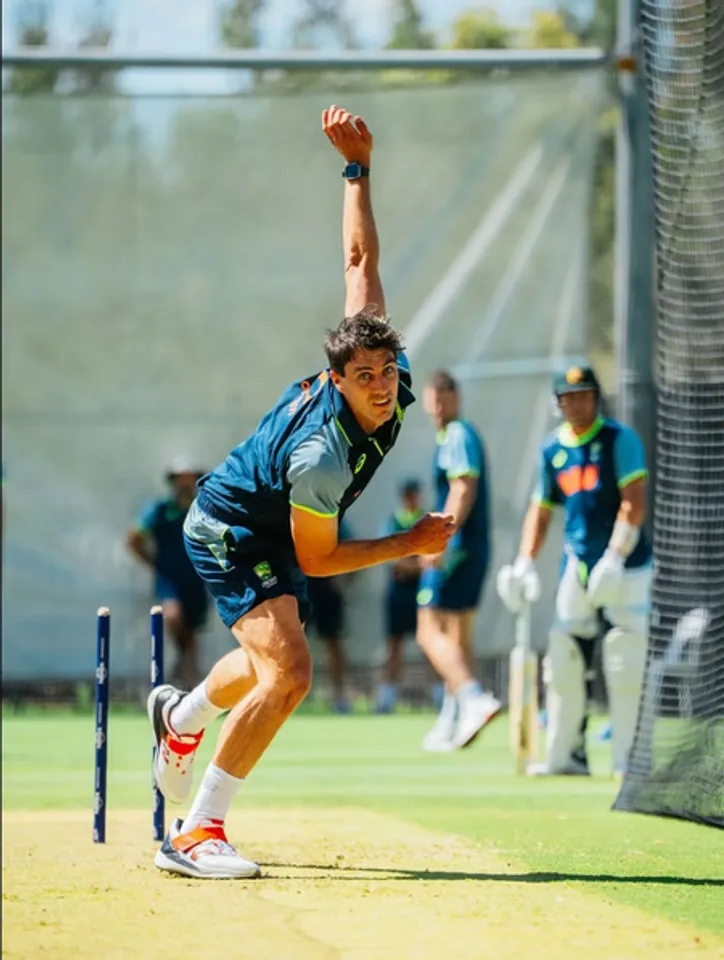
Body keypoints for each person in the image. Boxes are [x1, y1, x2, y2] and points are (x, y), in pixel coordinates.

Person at [146, 105, 454, 879]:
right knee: (290, 671)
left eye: (389, 371)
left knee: (262, 663)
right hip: (226, 527)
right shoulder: (323, 457)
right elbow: (317, 562)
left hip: (266, 521)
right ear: (337, 379)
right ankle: (195, 833)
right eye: (366, 378)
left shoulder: (372, 351)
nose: (383, 388)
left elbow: (358, 263)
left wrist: (357, 170)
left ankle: (179, 718)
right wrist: (407, 545)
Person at [496, 364, 651, 776]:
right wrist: (525, 562)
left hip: (627, 565)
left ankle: (628, 760)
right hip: (578, 564)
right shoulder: (553, 450)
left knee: (625, 658)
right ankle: (567, 755)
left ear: (597, 398)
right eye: (569, 397)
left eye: (584, 395)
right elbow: (541, 511)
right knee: (562, 658)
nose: (577, 403)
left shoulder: (620, 439)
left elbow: (633, 502)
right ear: (558, 403)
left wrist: (616, 555)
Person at [416, 370, 501, 752]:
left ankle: (472, 697)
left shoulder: (457, 434)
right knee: (457, 638)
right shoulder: (454, 434)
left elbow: (463, 486)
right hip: (473, 547)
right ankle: (454, 719)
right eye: (431, 399)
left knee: (427, 629)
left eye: (443, 397)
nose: (436, 406)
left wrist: (440, 540)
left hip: (458, 548)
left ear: (455, 398)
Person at [127, 461, 208, 687]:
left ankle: (187, 680)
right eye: (180, 478)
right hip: (169, 578)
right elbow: (134, 537)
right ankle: (180, 670)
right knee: (172, 616)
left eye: (190, 478)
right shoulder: (160, 509)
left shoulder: (204, 507)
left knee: (192, 630)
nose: (185, 483)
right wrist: (154, 562)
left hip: (197, 576)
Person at [375, 478, 425, 714]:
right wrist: (415, 564)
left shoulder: (425, 520)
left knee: (429, 641)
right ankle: (387, 698)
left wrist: (413, 565)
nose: (411, 498)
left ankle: (439, 694)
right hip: (399, 589)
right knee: (394, 644)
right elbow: (389, 557)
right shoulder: (394, 521)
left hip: (421, 590)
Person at [305, 517, 354, 714]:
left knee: (334, 642)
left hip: (327, 585)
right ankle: (291, 696)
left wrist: (342, 580)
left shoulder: (334, 516)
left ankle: (341, 696)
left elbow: (350, 546)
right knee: (293, 640)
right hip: (302, 585)